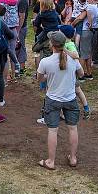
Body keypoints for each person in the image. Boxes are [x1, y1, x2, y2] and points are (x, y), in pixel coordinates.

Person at [37, 31, 82, 170]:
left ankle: (51, 161)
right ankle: (73, 158)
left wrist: (48, 77)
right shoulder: (73, 59)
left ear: (52, 44)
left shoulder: (45, 62)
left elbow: (40, 79)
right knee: (73, 128)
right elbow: (81, 74)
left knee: (52, 130)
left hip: (53, 99)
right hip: (70, 98)